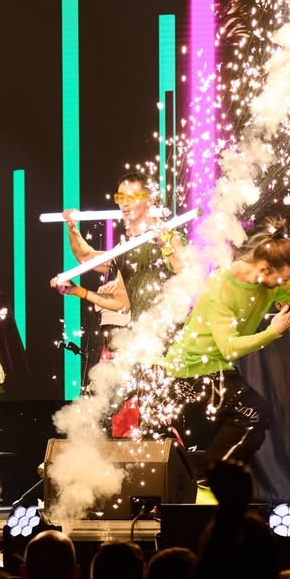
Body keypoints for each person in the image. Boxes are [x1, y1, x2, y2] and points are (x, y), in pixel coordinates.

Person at [158, 218, 290, 477]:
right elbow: (229, 348)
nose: (286, 285)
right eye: (283, 279)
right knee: (254, 414)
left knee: (252, 416)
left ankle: (206, 476)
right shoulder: (221, 286)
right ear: (264, 268)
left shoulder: (274, 279)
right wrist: (273, 331)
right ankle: (207, 477)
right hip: (190, 369)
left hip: (217, 367)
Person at [55, 172, 186, 434]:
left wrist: (166, 243)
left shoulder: (167, 235)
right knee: (110, 405)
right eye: (120, 197)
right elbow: (90, 262)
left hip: (166, 340)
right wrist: (72, 229)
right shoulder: (126, 247)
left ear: (149, 199)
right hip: (137, 340)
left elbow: (185, 268)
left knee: (154, 415)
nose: (124, 203)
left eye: (132, 196)